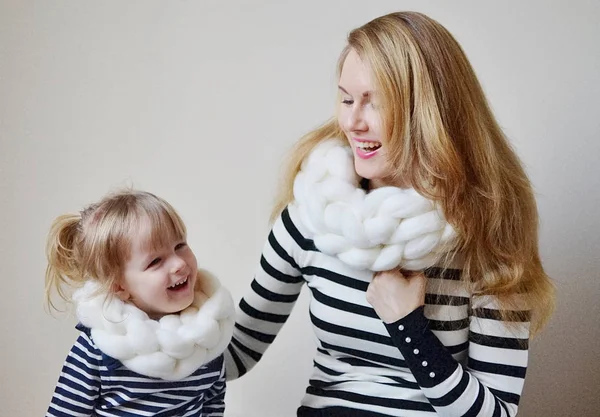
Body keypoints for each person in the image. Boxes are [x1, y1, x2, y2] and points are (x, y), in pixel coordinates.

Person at [224, 11, 555, 417]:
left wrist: (408, 327)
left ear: (428, 114)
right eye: (346, 98)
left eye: (374, 103)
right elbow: (235, 356)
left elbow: (497, 414)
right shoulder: (312, 216)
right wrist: (145, 327)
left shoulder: (489, 233)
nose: (350, 121)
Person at [44, 189, 235, 417]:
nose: (178, 264)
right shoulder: (98, 350)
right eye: (155, 261)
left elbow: (213, 404)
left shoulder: (206, 337)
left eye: (180, 245)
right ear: (119, 287)